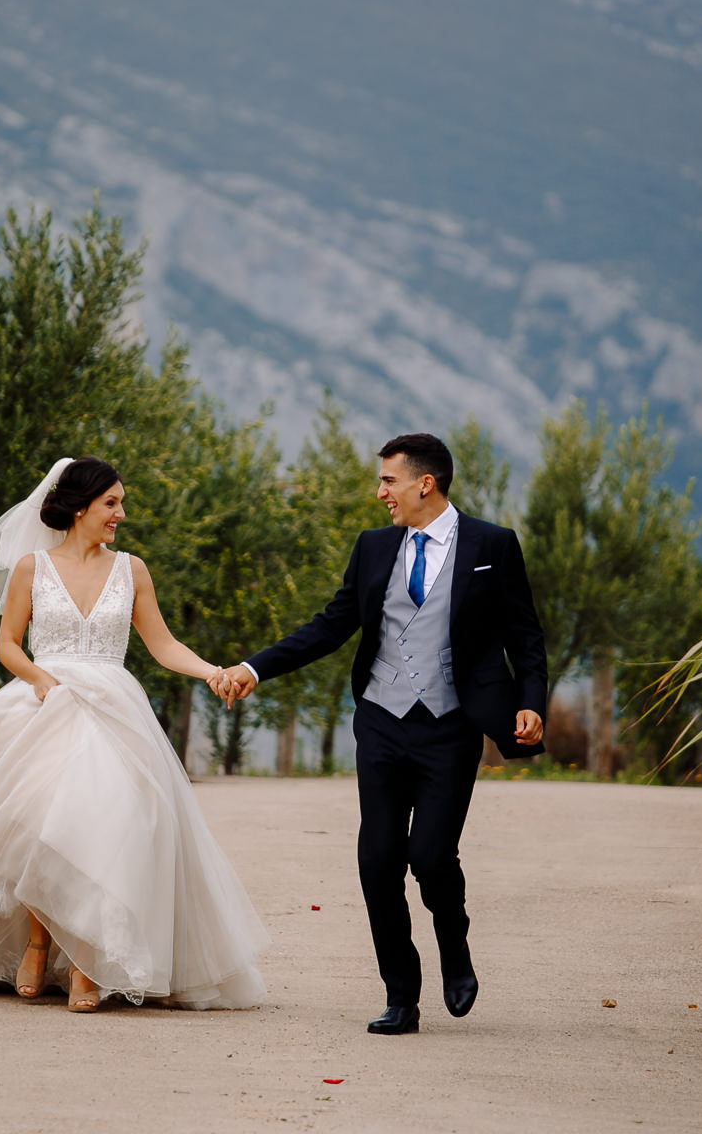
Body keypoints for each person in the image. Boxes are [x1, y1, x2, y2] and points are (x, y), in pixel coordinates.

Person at [0, 456, 267, 1012]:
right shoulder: (31, 568)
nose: (121, 514)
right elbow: (8, 642)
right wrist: (40, 680)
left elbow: (162, 645)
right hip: (46, 700)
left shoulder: (132, 571)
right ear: (79, 507)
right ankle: (38, 942)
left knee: (112, 822)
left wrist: (212, 672)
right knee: (39, 821)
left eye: (120, 503)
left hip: (113, 708)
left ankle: (89, 960)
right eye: (111, 503)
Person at [213, 433, 547, 1036]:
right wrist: (254, 667)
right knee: (378, 858)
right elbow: (331, 625)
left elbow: (525, 635)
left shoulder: (492, 545)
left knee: (431, 856)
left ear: (426, 483)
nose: (380, 493)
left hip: (450, 726)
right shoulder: (373, 548)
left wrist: (530, 703)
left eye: (388, 481)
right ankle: (401, 994)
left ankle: (455, 944)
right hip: (381, 722)